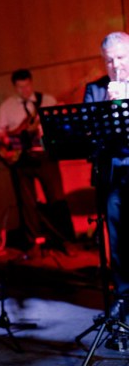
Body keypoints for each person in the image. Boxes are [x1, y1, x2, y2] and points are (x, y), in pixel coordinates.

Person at [0, 69, 75, 252]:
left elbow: (60, 127)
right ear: (15, 87)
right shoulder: (7, 106)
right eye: (20, 87)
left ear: (31, 82)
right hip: (21, 159)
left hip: (45, 156)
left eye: (27, 85)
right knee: (27, 203)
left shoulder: (47, 101)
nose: (25, 90)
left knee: (57, 198)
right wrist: (8, 139)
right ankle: (32, 242)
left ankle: (64, 240)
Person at [84, 31, 129, 321]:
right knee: (118, 241)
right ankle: (123, 299)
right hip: (113, 175)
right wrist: (108, 110)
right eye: (109, 60)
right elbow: (86, 132)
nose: (115, 65)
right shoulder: (96, 90)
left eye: (121, 58)